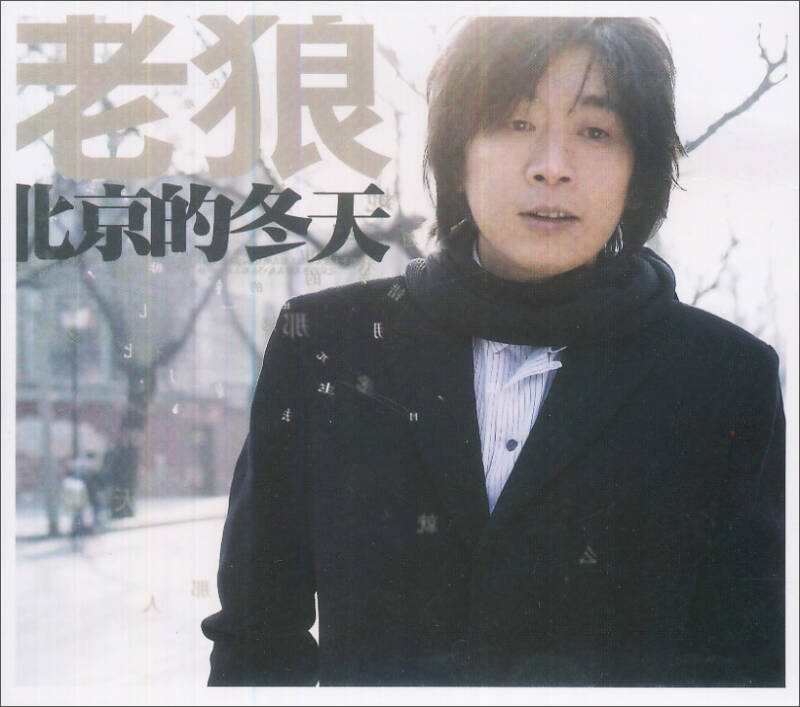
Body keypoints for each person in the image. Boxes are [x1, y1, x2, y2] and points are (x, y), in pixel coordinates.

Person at [202, 17, 784, 686]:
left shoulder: (723, 379)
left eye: (596, 131)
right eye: (515, 122)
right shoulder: (329, 345)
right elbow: (255, 636)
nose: (552, 166)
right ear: (458, 153)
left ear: (639, 169)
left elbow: (747, 658)